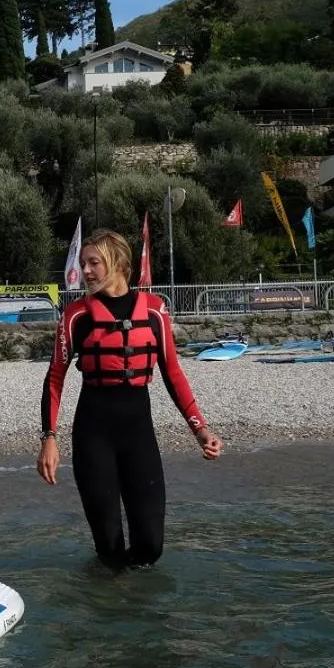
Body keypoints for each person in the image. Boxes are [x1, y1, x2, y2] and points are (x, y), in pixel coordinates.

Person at [36, 228, 222, 570]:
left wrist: (201, 430)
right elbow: (55, 378)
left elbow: (173, 373)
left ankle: (138, 610)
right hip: (93, 435)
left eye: (94, 263)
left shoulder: (154, 311)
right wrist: (49, 438)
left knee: (150, 547)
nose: (85, 271)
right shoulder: (76, 315)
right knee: (109, 548)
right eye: (83, 263)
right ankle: (110, 608)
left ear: (119, 262)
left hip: (138, 436)